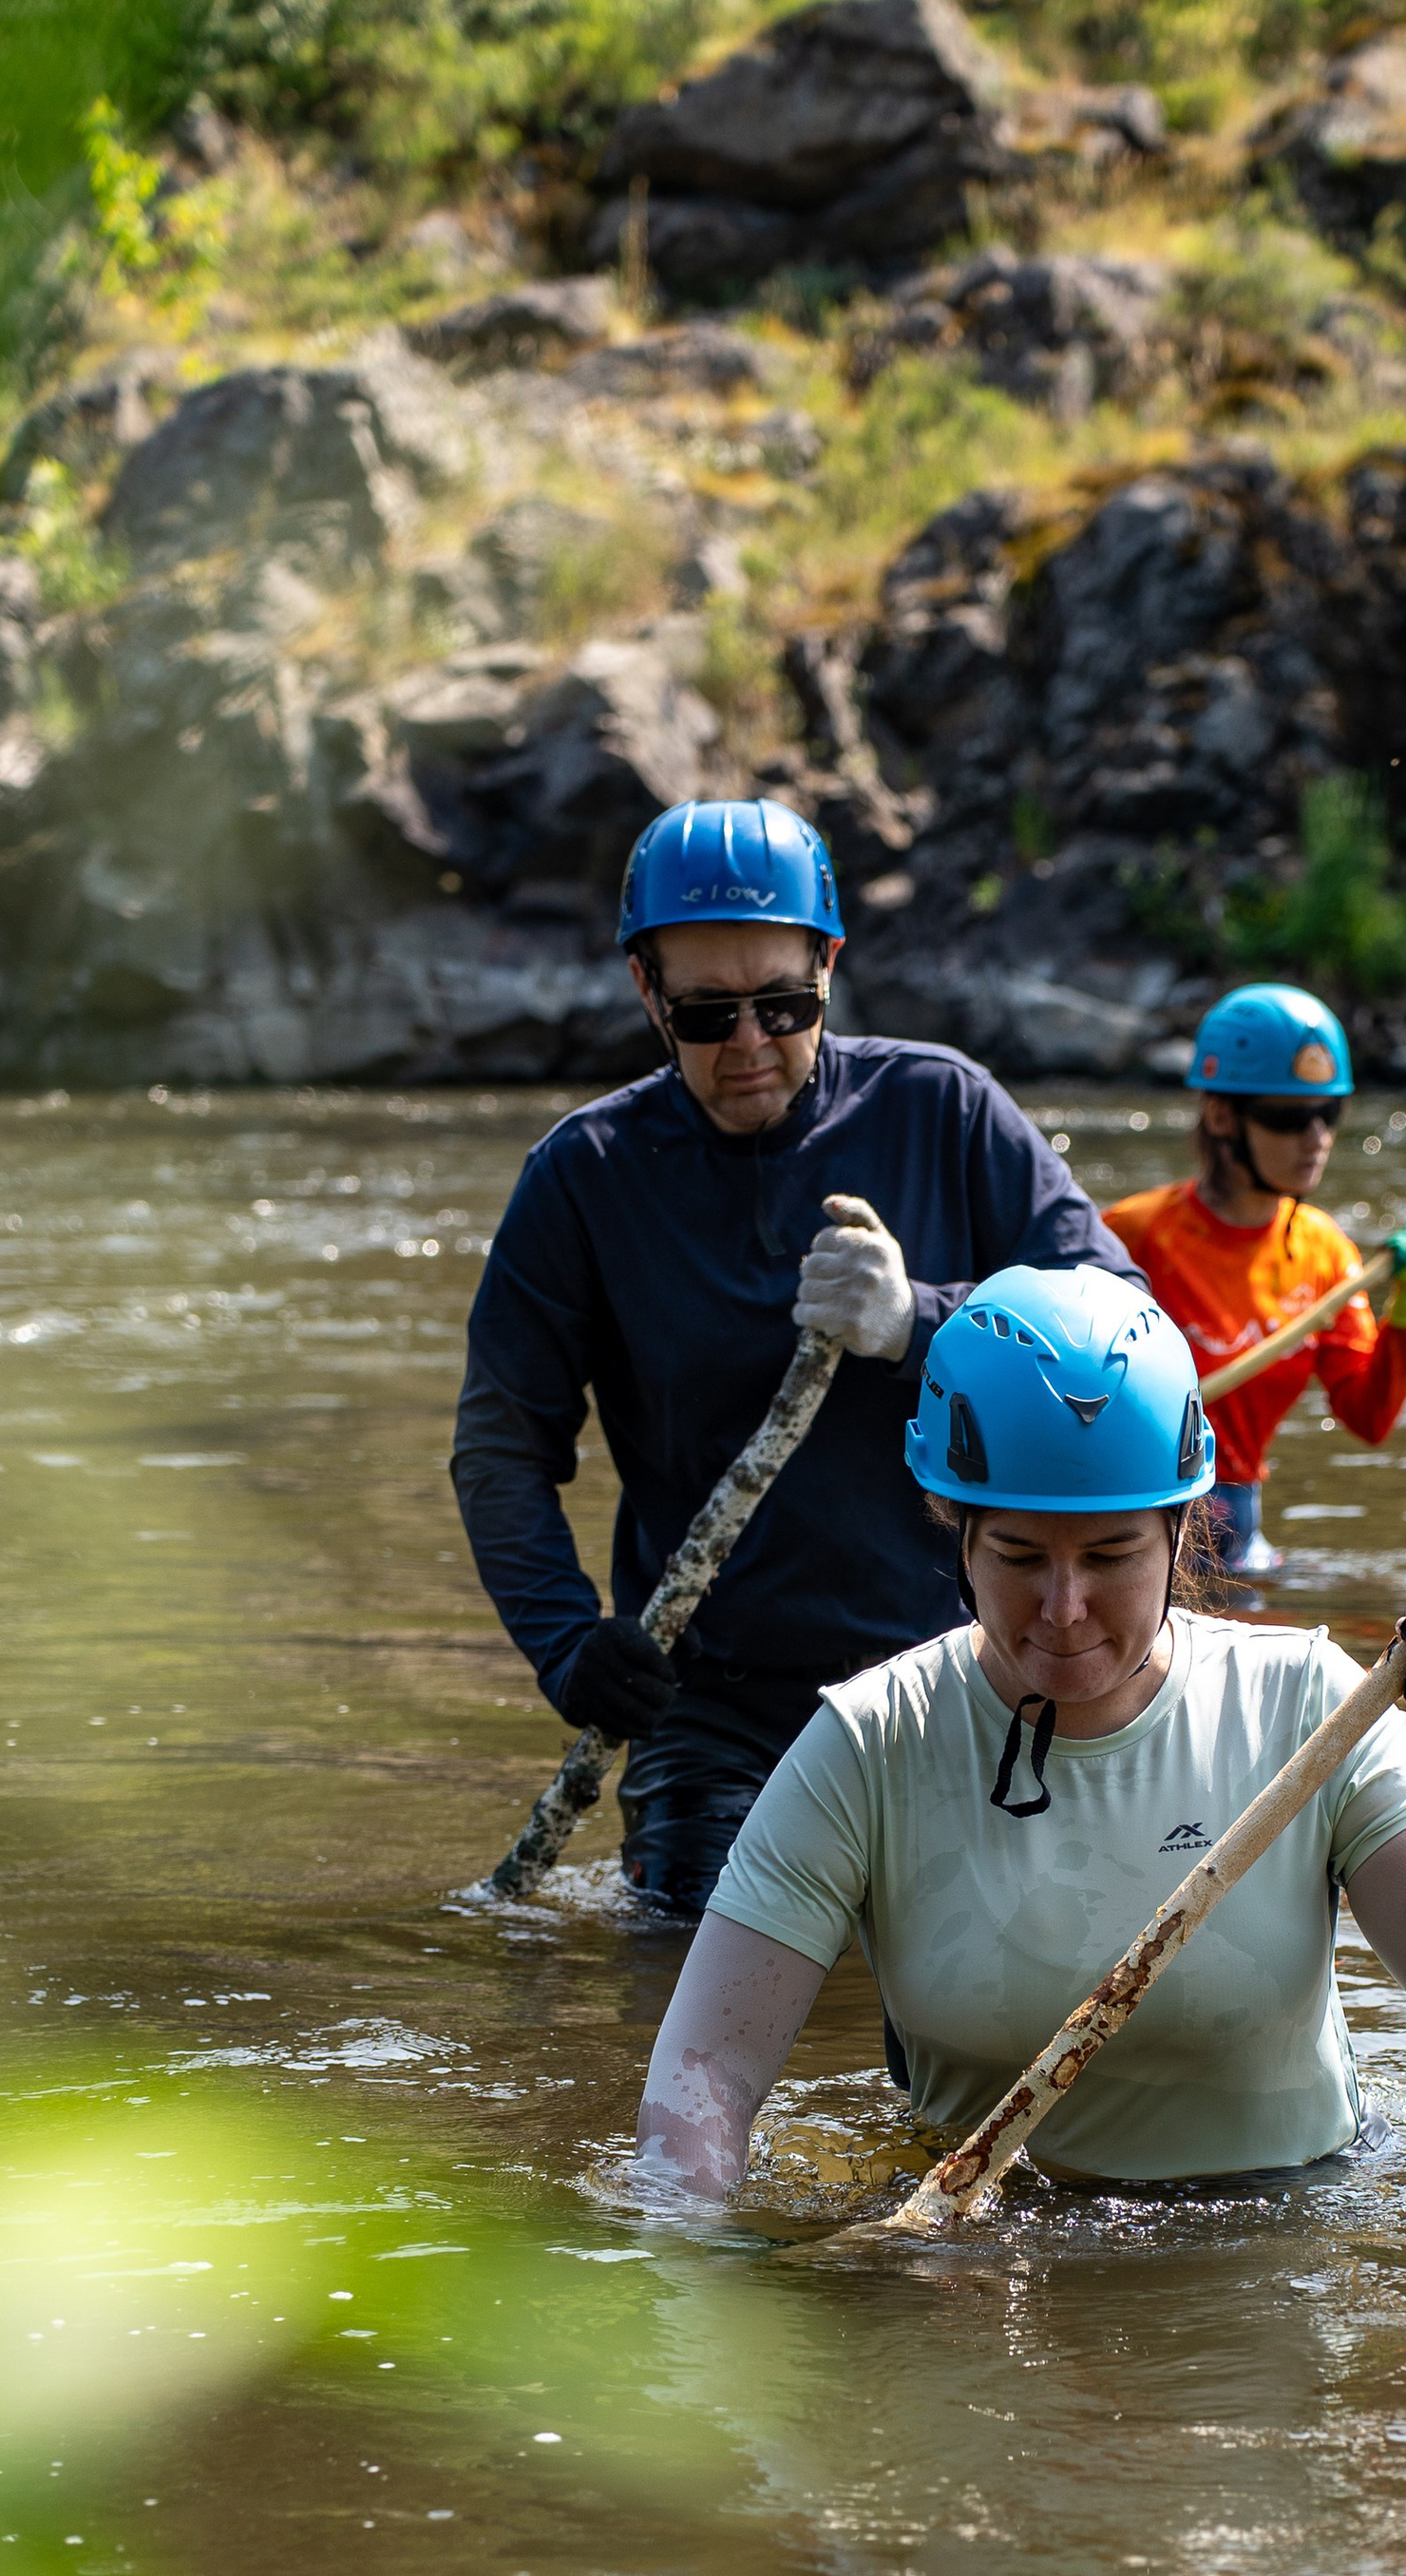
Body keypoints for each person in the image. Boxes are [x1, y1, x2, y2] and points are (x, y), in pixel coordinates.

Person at [635, 1263, 1406, 2198]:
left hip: (1289, 2231)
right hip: (997, 2259)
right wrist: (687, 2270)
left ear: (1179, 1534)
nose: (1065, 1608)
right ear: (955, 1533)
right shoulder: (872, 1742)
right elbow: (706, 2073)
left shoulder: (1302, 1704)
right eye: (1018, 1556)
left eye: (1112, 1555)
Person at [451, 798, 1138, 1917]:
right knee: (686, 1981)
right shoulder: (583, 1178)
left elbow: (1121, 1327)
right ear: (645, 990)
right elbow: (499, 1447)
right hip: (712, 1709)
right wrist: (568, 1644)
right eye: (707, 1014)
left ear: (829, 965)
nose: (751, 1047)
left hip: (962, 1674)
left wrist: (919, 1321)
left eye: (785, 1004)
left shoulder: (944, 1110)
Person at [1103, 985, 1406, 1574]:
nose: (1316, 1138)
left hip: (1240, 1532)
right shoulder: (1133, 1236)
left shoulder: (1324, 1253)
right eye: (1289, 1117)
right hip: (1128, 1524)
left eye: (1329, 1114)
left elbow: (1368, 1417)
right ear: (1221, 1116)